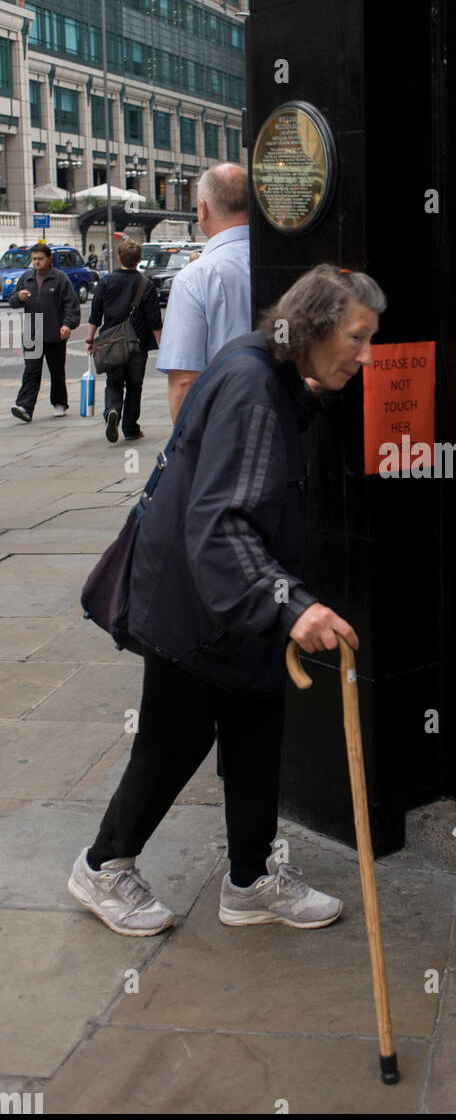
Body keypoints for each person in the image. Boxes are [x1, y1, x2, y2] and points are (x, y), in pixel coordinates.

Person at [68, 265, 386, 936]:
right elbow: (222, 525)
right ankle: (102, 867)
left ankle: (249, 878)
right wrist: (295, 607)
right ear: (315, 328)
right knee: (170, 742)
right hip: (195, 605)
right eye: (357, 338)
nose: (365, 356)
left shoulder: (264, 360)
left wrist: (309, 394)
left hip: (228, 605)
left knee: (255, 732)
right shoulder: (252, 384)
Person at [157, 162, 251, 421]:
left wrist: (186, 442)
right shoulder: (284, 265)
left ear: (203, 209)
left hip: (224, 426)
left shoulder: (194, 278)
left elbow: (184, 382)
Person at [84, 238, 163, 443]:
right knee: (135, 386)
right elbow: (154, 320)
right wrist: (162, 345)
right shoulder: (146, 284)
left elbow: (95, 315)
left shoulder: (106, 282)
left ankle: (112, 410)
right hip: (138, 343)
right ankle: (130, 427)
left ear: (119, 258)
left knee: (114, 383)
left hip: (112, 343)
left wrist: (90, 339)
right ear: (139, 259)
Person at [8, 242, 80, 423]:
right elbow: (13, 301)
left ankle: (59, 402)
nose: (36, 262)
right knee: (31, 370)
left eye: (40, 258)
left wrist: (67, 325)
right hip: (33, 331)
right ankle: (24, 406)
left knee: (57, 371)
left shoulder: (60, 278)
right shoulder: (26, 278)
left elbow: (71, 305)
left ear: (49, 259)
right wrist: (18, 297)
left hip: (55, 331)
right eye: (34, 259)